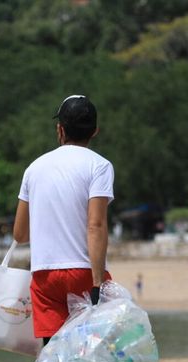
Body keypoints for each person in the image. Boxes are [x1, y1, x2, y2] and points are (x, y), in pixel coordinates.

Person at [13, 94, 114, 345]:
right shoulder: (100, 166)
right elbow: (96, 225)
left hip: (44, 273)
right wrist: (97, 282)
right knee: (91, 350)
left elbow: (20, 235)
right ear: (95, 132)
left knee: (53, 352)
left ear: (60, 129)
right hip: (83, 270)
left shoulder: (34, 168)